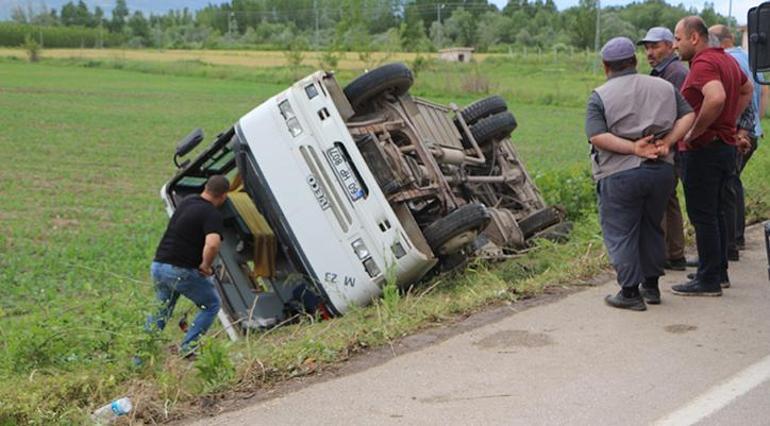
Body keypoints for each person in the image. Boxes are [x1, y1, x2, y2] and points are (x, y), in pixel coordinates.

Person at [585, 37, 694, 311]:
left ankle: (630, 293)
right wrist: (668, 142)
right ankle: (652, 287)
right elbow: (688, 116)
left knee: (621, 231)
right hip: (661, 171)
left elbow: (597, 136)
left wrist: (634, 148)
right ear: (634, 61)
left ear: (605, 66)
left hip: (619, 173)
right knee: (651, 227)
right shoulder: (664, 86)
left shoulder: (600, 95)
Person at [671, 16, 753, 296]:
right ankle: (717, 272)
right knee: (717, 212)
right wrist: (729, 122)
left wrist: (695, 131)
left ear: (695, 38)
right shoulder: (727, 60)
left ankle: (707, 281)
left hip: (704, 150)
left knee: (702, 215)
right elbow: (747, 88)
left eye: (678, 39)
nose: (674, 46)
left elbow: (715, 97)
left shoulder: (704, 63)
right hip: (724, 147)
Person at [147, 175, 229, 355]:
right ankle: (188, 348)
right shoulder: (212, 213)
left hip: (159, 265)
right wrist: (206, 266)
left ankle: (141, 356)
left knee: (161, 311)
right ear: (223, 196)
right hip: (179, 270)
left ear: (205, 188)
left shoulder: (188, 202)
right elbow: (213, 243)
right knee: (212, 304)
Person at [709, 24, 767, 254]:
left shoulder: (725, 61)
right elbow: (764, 92)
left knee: (726, 188)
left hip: (737, 132)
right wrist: (755, 124)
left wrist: (736, 130)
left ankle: (729, 243)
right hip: (752, 131)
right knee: (733, 183)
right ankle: (736, 238)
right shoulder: (749, 58)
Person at [638, 26, 690, 271]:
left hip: (669, 145)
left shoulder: (675, 72)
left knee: (659, 200)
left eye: (655, 46)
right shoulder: (663, 71)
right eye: (647, 47)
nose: (650, 52)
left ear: (670, 46)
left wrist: (666, 141)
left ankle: (660, 256)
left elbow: (676, 113)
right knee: (668, 199)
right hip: (667, 144)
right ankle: (674, 254)